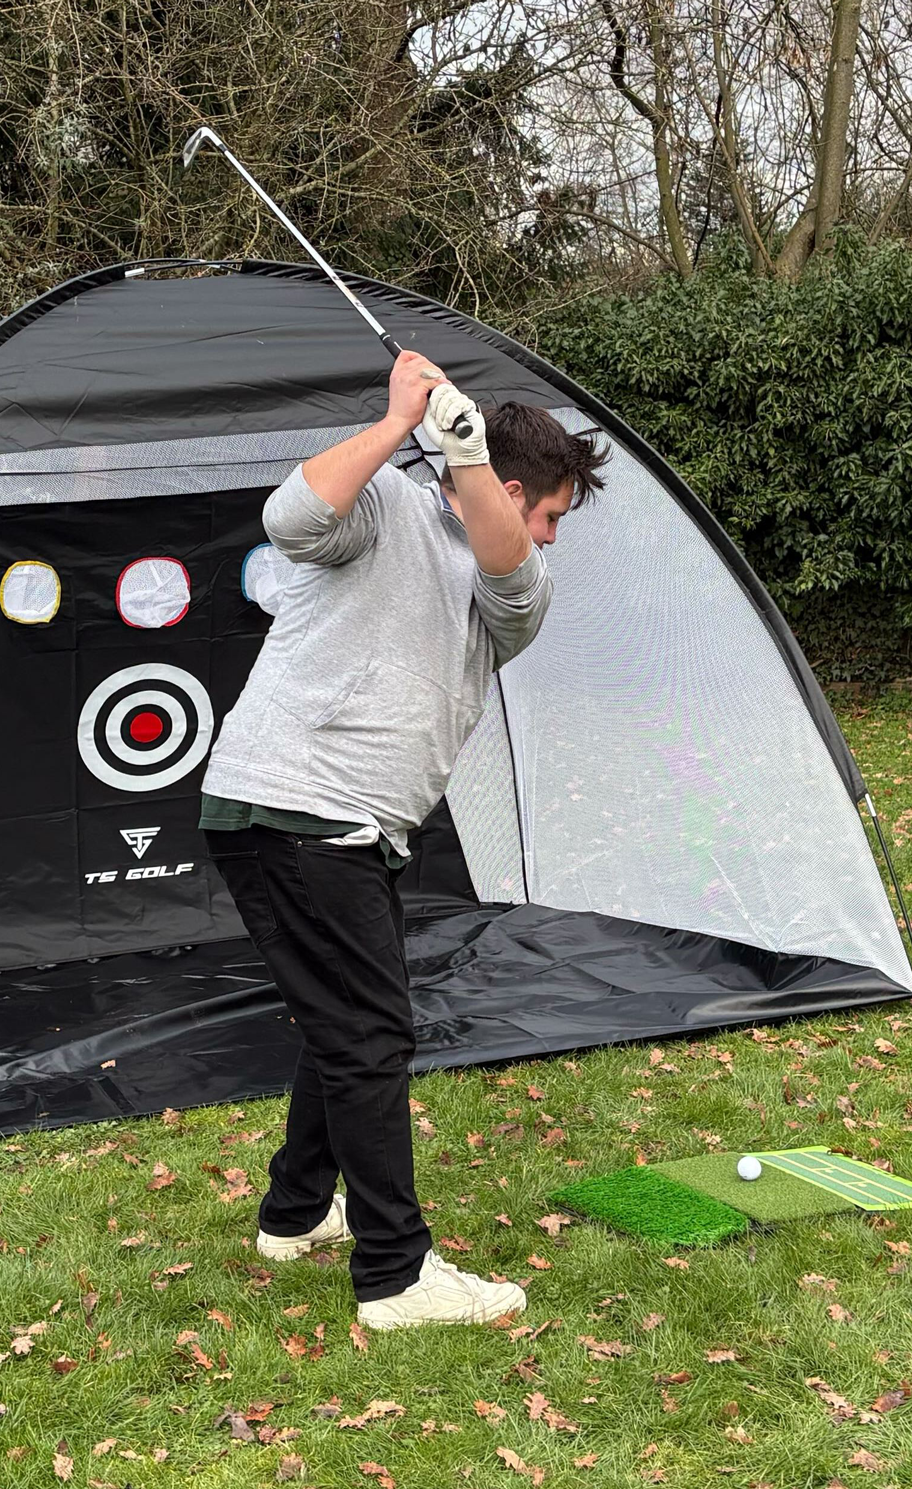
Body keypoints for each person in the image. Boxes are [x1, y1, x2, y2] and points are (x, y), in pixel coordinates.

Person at [199, 349, 609, 1331]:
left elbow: (511, 577)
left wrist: (462, 451)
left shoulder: (510, 582)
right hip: (297, 810)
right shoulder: (382, 502)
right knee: (370, 1033)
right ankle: (395, 1275)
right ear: (513, 489)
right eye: (548, 511)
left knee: (347, 1025)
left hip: (344, 826)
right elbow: (287, 519)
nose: (549, 536)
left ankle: (294, 1214)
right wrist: (397, 422)